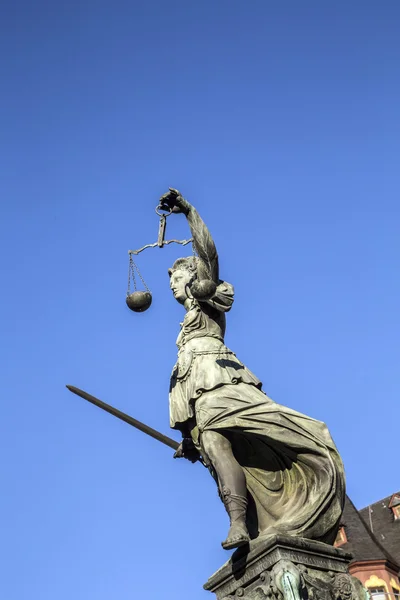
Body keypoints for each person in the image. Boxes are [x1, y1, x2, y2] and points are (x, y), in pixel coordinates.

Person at [159, 188, 345, 551]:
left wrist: (188, 211)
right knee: (213, 446)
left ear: (190, 276)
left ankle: (241, 521)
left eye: (174, 276)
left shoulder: (206, 294)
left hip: (222, 383)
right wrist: (186, 439)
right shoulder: (183, 328)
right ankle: (240, 525)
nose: (170, 283)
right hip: (200, 396)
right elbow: (187, 389)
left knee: (216, 440)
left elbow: (208, 253)